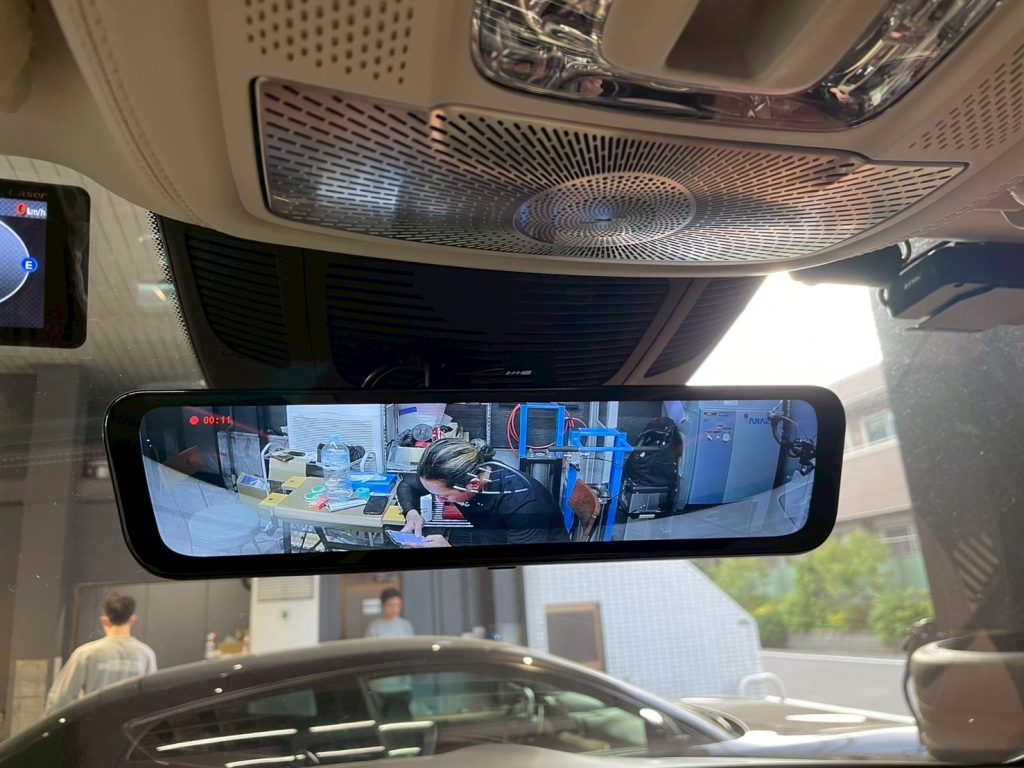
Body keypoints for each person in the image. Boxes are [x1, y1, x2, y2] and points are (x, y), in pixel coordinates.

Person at [401, 439, 568, 547]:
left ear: (474, 485)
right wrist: (412, 513)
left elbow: (516, 572)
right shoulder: (458, 476)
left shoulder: (525, 506)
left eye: (445, 496)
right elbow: (407, 484)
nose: (439, 500)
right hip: (489, 538)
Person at [44, 592, 157, 714]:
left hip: (94, 722)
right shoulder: (146, 654)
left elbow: (61, 698)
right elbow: (152, 697)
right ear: (133, 619)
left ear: (104, 620)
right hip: (131, 723)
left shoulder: (86, 653)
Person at [364, 588, 414, 721]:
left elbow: (410, 653)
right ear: (383, 606)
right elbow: (369, 656)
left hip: (402, 685)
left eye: (398, 605)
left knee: (403, 721)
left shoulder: (406, 626)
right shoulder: (374, 628)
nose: (395, 609)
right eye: (391, 605)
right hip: (380, 685)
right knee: (381, 720)